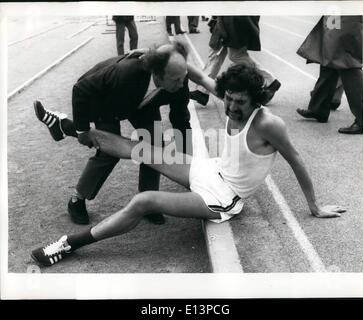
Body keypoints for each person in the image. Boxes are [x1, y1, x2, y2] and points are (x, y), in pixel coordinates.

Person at [31, 64, 345, 267]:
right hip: (211, 170)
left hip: (225, 198)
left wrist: (314, 206)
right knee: (142, 148)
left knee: (144, 200)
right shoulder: (230, 102)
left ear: (257, 100)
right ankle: (69, 126)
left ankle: (68, 245)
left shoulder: (269, 124)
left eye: (240, 102)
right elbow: (193, 72)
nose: (232, 107)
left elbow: (296, 160)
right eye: (229, 99)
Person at [34, 41, 194, 226]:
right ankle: (77, 199)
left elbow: (181, 119)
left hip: (140, 103)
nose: (181, 84)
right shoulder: (126, 72)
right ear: (157, 74)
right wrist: (82, 130)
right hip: (105, 101)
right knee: (109, 152)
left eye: (183, 78)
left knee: (154, 145)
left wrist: (190, 169)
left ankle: (148, 201)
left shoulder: (179, 77)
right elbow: (80, 89)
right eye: (176, 80)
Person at [190, 16, 281, 107]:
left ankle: (270, 80)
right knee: (217, 52)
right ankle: (202, 91)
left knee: (235, 55)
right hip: (230, 19)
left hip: (233, 19)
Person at [296, 16, 363, 134]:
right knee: (330, 50)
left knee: (345, 56)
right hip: (335, 11)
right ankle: (319, 108)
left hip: (345, 10)